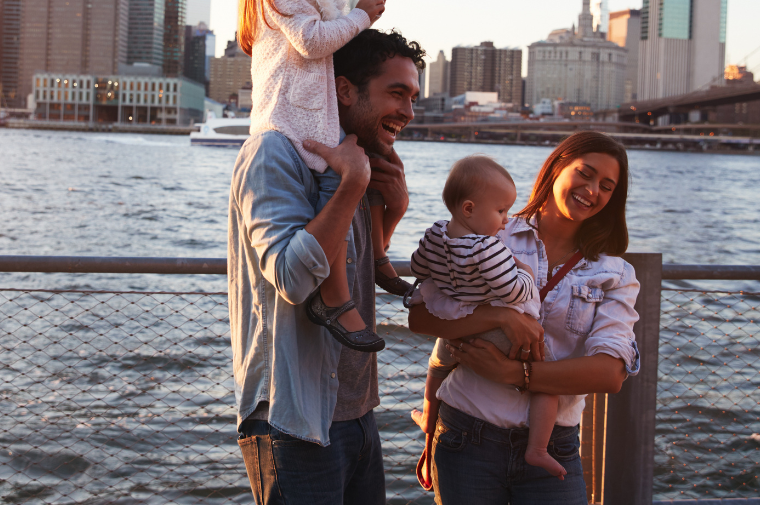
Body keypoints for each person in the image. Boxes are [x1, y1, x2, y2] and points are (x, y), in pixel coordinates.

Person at [229, 26, 423, 504]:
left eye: (413, 98)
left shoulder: (354, 158)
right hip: (293, 421)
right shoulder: (276, 152)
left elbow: (350, 265)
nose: (408, 112)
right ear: (343, 89)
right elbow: (293, 278)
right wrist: (351, 186)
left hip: (358, 415)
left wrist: (390, 213)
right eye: (396, 94)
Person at [407, 131, 641, 504]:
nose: (593, 190)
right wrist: (501, 317)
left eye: (607, 186)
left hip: (554, 446)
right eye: (586, 173)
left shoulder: (614, 272)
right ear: (557, 165)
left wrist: (515, 374)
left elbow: (610, 373)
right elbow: (420, 318)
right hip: (466, 435)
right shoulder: (492, 233)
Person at [238, 0, 389, 352]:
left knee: (348, 193)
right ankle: (337, 299)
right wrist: (363, 16)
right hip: (291, 120)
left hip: (308, 120)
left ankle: (368, 271)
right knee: (333, 198)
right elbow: (311, 41)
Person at [409, 154, 568, 485]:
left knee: (438, 367)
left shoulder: (435, 233)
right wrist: (524, 273)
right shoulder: (488, 248)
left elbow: (418, 266)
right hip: (499, 333)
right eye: (500, 211)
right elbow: (512, 293)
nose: (506, 221)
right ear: (469, 209)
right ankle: (538, 448)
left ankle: (429, 420)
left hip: (458, 329)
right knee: (547, 382)